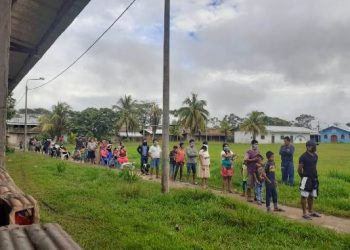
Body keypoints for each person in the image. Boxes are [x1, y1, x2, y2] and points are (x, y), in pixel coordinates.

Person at [298, 140, 321, 220]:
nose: (315, 147)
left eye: (315, 146)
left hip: (314, 178)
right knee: (304, 196)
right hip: (305, 178)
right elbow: (299, 169)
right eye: (314, 146)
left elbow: (314, 167)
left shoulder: (315, 156)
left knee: (311, 195)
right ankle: (304, 213)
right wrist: (303, 177)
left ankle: (310, 211)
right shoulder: (303, 157)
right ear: (308, 147)